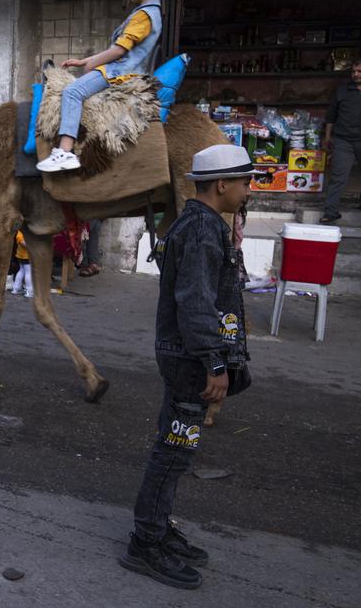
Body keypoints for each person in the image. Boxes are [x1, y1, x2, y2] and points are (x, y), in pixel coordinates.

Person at [121, 144, 254, 590]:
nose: (248, 191)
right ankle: (146, 541)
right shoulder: (200, 229)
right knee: (174, 450)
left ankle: (157, 528)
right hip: (190, 361)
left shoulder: (203, 224)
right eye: (244, 182)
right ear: (222, 184)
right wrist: (215, 363)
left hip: (187, 357)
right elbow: (195, 303)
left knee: (178, 449)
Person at [38, 0, 177, 173]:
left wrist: (93, 64)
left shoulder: (143, 15)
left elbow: (119, 50)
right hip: (124, 69)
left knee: (72, 92)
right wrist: (84, 61)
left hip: (120, 73)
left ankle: (64, 151)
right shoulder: (151, 13)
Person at [319, 59, 361, 224]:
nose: (355, 74)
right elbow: (331, 116)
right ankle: (330, 212)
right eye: (353, 71)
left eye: (359, 71)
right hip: (343, 140)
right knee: (338, 177)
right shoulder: (342, 91)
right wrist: (327, 138)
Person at [11, 230, 33, 298]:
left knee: (21, 271)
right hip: (27, 256)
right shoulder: (26, 232)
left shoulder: (20, 231)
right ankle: (29, 290)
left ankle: (16, 288)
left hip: (20, 256)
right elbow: (23, 243)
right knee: (28, 272)